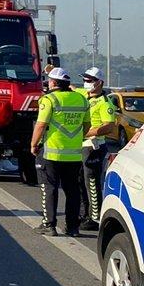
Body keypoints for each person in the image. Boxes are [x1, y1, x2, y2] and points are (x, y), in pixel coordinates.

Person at [29, 67, 91, 236]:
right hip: (74, 154)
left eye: (49, 80)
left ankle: (49, 225)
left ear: (54, 83)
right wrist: (76, 138)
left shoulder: (49, 99)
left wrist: (34, 144)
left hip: (52, 153)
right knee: (72, 191)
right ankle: (72, 227)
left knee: (49, 188)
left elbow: (41, 124)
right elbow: (87, 125)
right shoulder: (81, 99)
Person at [79, 66, 121, 232]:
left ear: (100, 83)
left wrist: (88, 132)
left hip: (93, 145)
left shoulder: (105, 103)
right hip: (81, 145)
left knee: (92, 182)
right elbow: (71, 89)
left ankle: (95, 218)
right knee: (81, 181)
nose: (86, 83)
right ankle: (85, 213)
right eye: (85, 80)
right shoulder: (84, 95)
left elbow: (109, 126)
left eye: (89, 80)